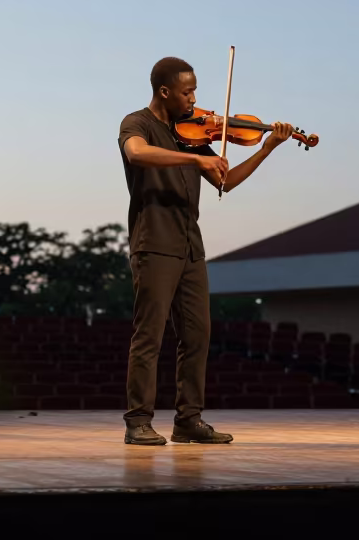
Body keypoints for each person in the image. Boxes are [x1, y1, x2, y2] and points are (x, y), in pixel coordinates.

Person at [118, 56, 293, 446]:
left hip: (190, 246)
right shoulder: (138, 124)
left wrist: (267, 148)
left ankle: (188, 421)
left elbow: (225, 181)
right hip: (155, 243)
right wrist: (195, 157)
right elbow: (137, 154)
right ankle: (138, 421)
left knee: (197, 335)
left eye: (194, 90)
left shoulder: (193, 131)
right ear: (164, 91)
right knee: (149, 336)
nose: (194, 98)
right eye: (187, 91)